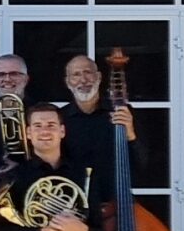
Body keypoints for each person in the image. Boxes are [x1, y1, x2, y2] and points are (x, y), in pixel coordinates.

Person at [56, 53, 138, 207]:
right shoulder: (60, 118)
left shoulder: (123, 112)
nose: (83, 80)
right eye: (76, 75)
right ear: (68, 82)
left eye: (87, 72)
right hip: (73, 205)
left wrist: (130, 134)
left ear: (99, 77)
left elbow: (142, 163)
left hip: (115, 203)